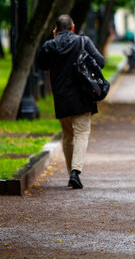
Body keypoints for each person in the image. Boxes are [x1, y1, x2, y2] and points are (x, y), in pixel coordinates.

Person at [37, 14, 105, 189]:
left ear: (56, 29)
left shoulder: (49, 45)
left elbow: (41, 65)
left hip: (61, 98)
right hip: (83, 95)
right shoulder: (83, 41)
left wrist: (53, 41)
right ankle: (75, 171)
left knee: (68, 137)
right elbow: (101, 62)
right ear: (73, 28)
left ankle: (71, 174)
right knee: (81, 133)